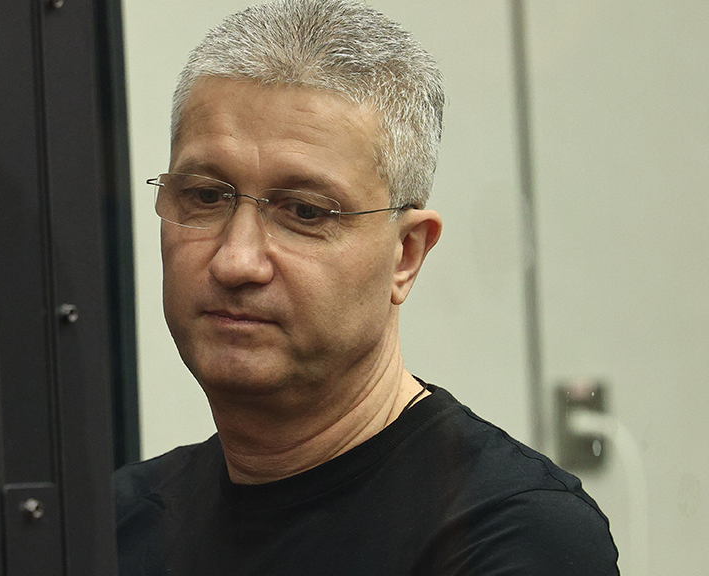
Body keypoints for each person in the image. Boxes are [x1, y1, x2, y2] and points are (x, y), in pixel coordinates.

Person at [115, 0, 619, 574]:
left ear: (406, 254)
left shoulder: (511, 535)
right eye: (206, 196)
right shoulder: (115, 524)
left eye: (305, 211)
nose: (236, 261)